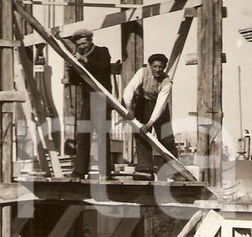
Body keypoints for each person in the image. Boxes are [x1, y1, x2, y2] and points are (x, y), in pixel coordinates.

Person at [122, 53, 179, 179]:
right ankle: (145, 169)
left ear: (164, 67)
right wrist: (129, 107)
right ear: (150, 66)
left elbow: (160, 105)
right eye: (155, 66)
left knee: (166, 138)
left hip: (159, 107)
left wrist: (150, 123)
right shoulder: (142, 72)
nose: (157, 69)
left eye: (160, 67)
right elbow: (129, 89)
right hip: (142, 104)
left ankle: (173, 171)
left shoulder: (167, 82)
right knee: (141, 135)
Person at [65, 29, 113, 179]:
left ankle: (105, 172)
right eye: (79, 45)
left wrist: (84, 60)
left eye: (84, 43)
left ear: (90, 41)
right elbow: (75, 81)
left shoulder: (102, 52)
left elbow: (102, 68)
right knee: (83, 135)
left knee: (102, 135)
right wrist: (71, 67)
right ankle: (79, 171)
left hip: (102, 99)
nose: (82, 47)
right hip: (87, 100)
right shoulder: (78, 57)